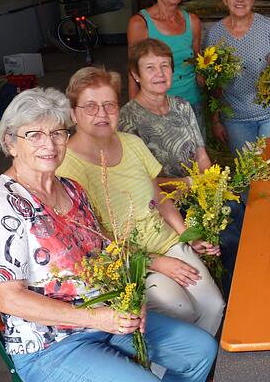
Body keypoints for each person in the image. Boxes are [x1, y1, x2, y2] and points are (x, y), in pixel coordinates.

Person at [0, 87, 216, 382]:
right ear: (10, 144)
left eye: (57, 133)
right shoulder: (5, 204)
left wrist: (133, 294)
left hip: (108, 319)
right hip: (51, 344)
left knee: (200, 350)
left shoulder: (72, 189)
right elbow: (8, 299)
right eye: (34, 135)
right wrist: (96, 317)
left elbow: (104, 251)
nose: (48, 144)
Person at [56, 67, 225, 336]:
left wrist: (188, 236)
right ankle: (171, 368)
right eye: (90, 106)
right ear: (73, 113)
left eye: (109, 105)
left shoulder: (132, 143)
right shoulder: (65, 166)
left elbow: (160, 197)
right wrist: (154, 262)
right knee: (183, 309)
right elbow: (90, 238)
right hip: (125, 260)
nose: (102, 113)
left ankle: (192, 368)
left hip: (166, 242)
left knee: (214, 305)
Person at [120, 38, 243, 300]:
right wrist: (189, 185)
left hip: (196, 190)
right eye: (150, 67)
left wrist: (212, 189)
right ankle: (233, 294)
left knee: (235, 207)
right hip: (164, 202)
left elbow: (201, 155)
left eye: (165, 66)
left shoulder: (182, 107)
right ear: (135, 74)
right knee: (226, 228)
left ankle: (238, 284)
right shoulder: (127, 118)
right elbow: (141, 181)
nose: (160, 73)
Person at [204, 0, 270, 153]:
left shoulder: (269, 26)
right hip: (235, 118)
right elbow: (211, 84)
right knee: (247, 174)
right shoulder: (215, 34)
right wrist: (216, 121)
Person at [127, 0, 204, 132]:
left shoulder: (192, 21)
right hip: (156, 106)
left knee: (197, 157)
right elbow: (133, 71)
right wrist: (133, 112)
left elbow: (198, 62)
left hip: (192, 103)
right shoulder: (140, 23)